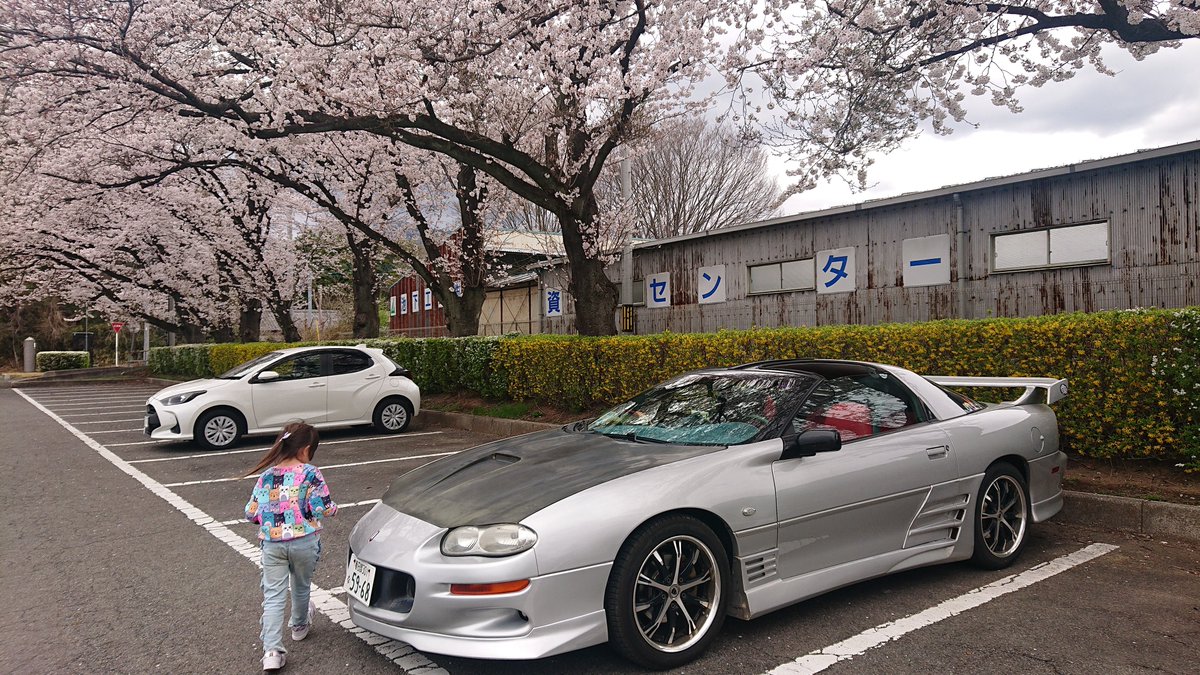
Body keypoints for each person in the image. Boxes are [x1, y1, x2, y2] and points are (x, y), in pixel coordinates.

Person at [244, 422, 338, 671]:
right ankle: (299, 626)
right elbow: (323, 507)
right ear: (306, 449)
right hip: (304, 542)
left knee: (273, 596)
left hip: (272, 544)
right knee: (301, 584)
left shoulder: (266, 476)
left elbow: (251, 513)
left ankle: (272, 651)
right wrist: (332, 510)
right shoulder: (310, 473)